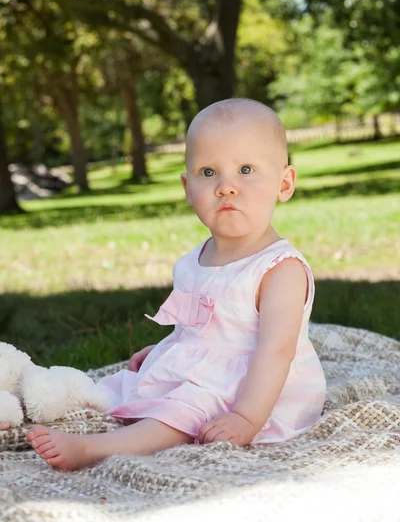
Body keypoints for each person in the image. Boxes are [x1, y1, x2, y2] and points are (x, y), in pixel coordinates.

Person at [26, 98, 326, 471]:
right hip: (208, 373)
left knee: (181, 414)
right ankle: (30, 401)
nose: (226, 187)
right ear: (187, 187)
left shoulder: (279, 270)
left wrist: (246, 418)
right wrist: (167, 347)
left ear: (284, 183)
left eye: (246, 169)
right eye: (208, 172)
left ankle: (96, 449)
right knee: (120, 386)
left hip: (257, 390)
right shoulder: (193, 260)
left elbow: (276, 351)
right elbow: (203, 328)